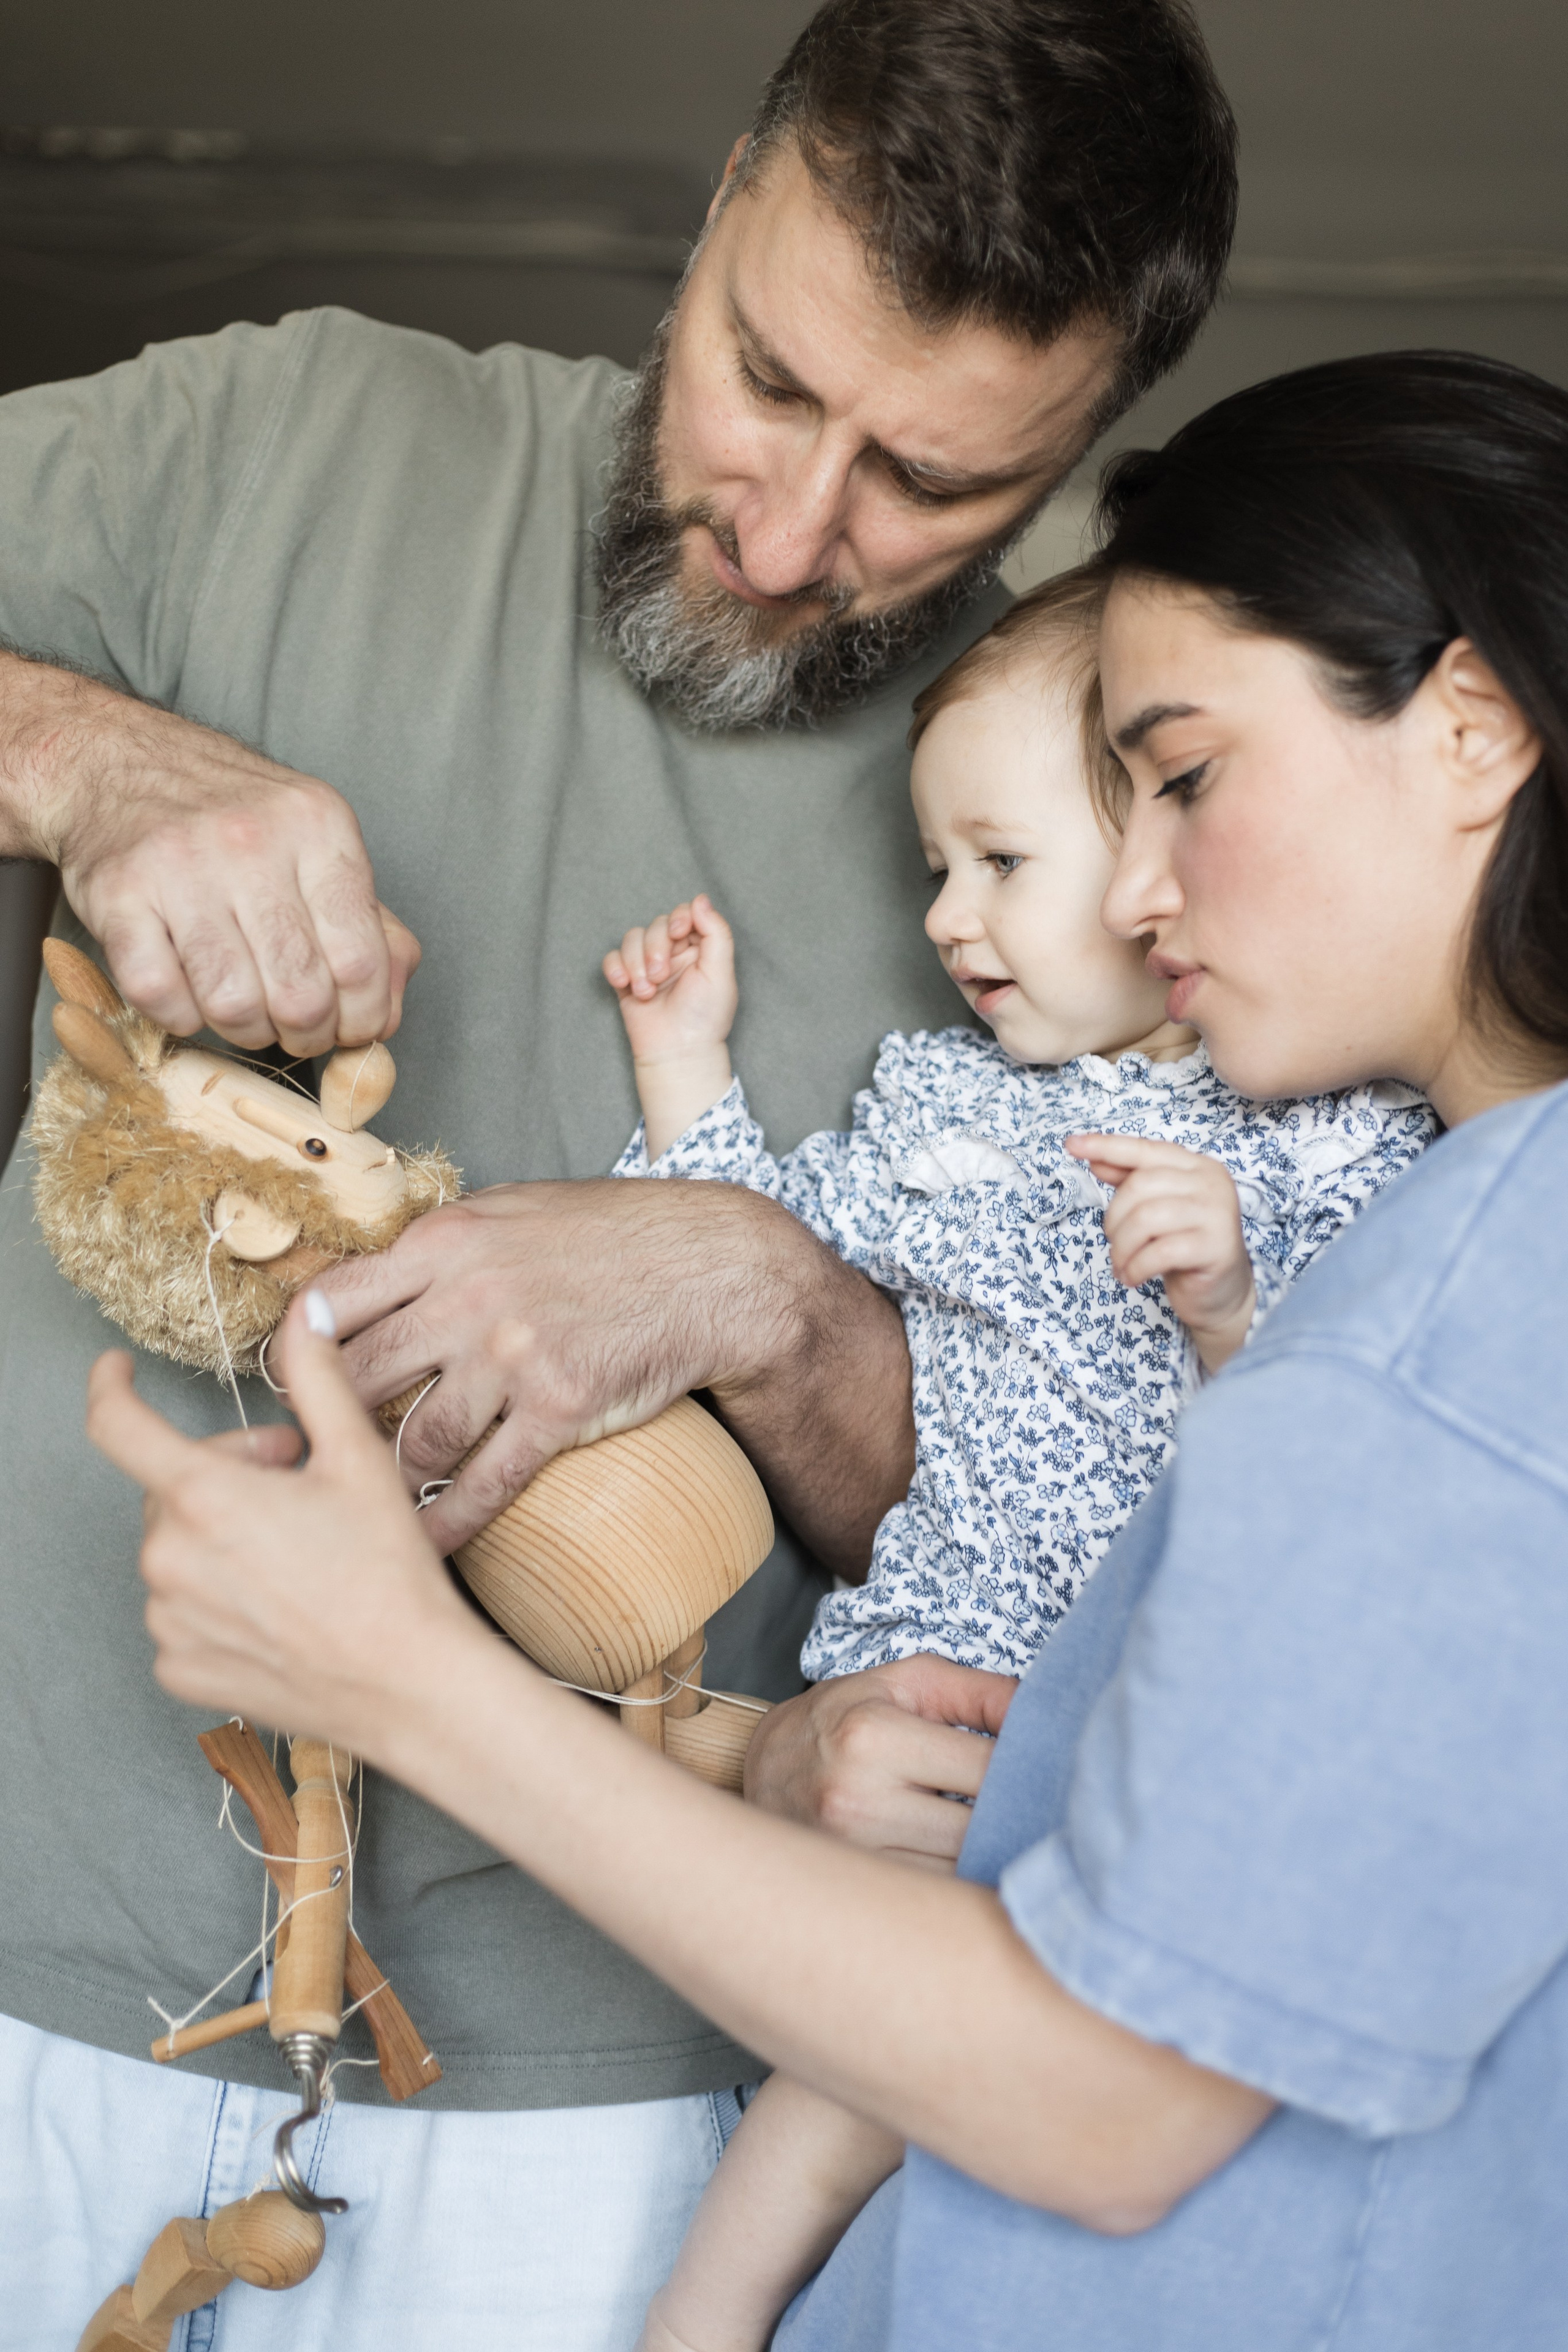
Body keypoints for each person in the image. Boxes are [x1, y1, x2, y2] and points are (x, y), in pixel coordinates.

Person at [90, 347, 1568, 2351]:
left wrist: (401, 1679)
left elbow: (1104, 2090)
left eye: (1190, 777)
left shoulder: (1470, 1310)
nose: (1142, 888)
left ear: (1474, 728)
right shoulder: (1452, 1254)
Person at [0, 4, 1238, 2342]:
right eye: (765, 380)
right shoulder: (284, 433)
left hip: (642, 2102)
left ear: (1092, 449)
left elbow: (1127, 1498)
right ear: (713, 212)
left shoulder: (1159, 756)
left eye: (932, 491)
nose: (789, 533)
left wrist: (767, 1294)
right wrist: (88, 762)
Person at [600, 568, 1431, 2352]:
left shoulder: (1321, 1129)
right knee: (850, 2071)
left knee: (1049, 2127)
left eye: (1002, 862)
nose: (953, 919)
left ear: (1164, 866)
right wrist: (684, 1068)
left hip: (1155, 1720)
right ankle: (706, 2323)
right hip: (941, 1686)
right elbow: (767, 1248)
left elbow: (1359, 1461)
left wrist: (1226, 1304)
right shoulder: (942, 1101)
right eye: (936, 870)